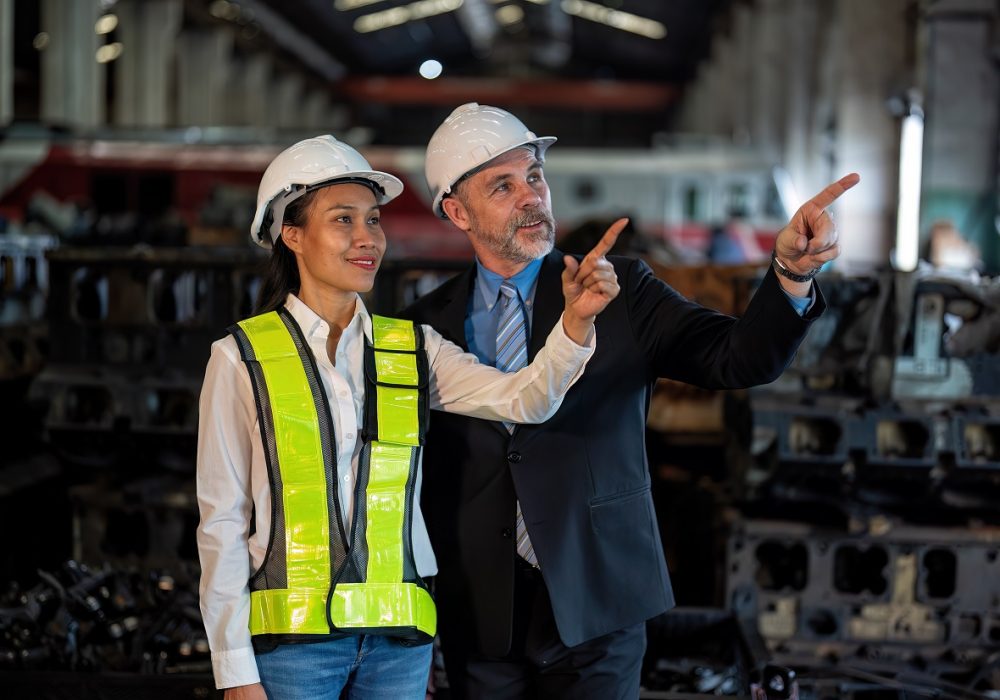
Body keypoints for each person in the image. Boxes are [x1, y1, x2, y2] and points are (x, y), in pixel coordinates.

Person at [401, 103, 860, 698]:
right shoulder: (420, 327)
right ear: (457, 212)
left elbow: (738, 357)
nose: (531, 197)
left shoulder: (622, 291)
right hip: (480, 614)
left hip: (601, 600)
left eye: (535, 176)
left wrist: (790, 277)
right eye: (503, 186)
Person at [195, 135, 622, 700]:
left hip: (398, 647)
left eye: (373, 220)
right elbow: (222, 522)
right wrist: (235, 670)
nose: (367, 238)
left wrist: (574, 326)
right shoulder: (239, 358)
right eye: (342, 220)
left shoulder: (412, 349)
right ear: (292, 235)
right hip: (292, 650)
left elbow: (526, 400)